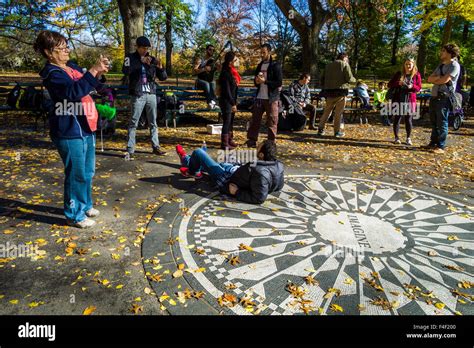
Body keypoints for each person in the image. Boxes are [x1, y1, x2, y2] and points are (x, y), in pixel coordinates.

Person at [35, 30, 109, 228]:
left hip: (86, 125)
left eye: (67, 46)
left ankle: (85, 206)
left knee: (87, 171)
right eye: (62, 48)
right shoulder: (53, 74)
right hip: (68, 130)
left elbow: (90, 86)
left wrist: (98, 74)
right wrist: (92, 72)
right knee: (76, 173)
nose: (67, 50)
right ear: (49, 52)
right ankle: (74, 214)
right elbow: (72, 93)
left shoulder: (71, 67)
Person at [175, 140, 284, 204]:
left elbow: (259, 198)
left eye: (258, 148)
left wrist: (237, 192)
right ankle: (193, 161)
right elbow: (278, 185)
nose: (255, 149)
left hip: (225, 179)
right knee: (228, 156)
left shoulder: (260, 173)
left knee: (198, 152)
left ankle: (191, 166)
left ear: (261, 155)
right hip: (235, 170)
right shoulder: (278, 165)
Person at [123, 36, 167, 161]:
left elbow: (163, 77)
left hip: (151, 93)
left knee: (153, 122)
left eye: (147, 48)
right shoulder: (129, 57)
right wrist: (140, 62)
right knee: (133, 122)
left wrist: (160, 67)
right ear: (137, 47)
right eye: (143, 48)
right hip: (138, 93)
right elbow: (125, 70)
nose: (145, 50)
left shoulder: (152, 59)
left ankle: (156, 146)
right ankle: (130, 149)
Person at [426, 43, 461, 154]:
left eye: (443, 51)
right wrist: (438, 78)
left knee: (442, 122)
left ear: (450, 53)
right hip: (434, 96)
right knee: (434, 121)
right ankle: (433, 143)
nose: (441, 53)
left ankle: (441, 146)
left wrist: (438, 79)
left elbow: (444, 80)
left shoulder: (454, 65)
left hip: (444, 98)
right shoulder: (441, 66)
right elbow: (429, 79)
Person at [246, 43, 283, 148]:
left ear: (269, 52)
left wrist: (265, 81)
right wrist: (257, 81)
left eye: (264, 52)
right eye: (260, 52)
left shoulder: (276, 65)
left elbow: (279, 83)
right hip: (259, 98)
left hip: (271, 98)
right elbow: (255, 81)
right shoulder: (259, 65)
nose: (262, 55)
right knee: (255, 120)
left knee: (272, 121)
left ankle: (271, 143)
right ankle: (252, 140)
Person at [318, 52, 356, 138]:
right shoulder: (345, 64)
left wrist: (326, 86)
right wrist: (355, 81)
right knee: (338, 113)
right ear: (344, 58)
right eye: (347, 58)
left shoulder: (328, 65)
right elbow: (349, 78)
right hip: (341, 92)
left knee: (327, 111)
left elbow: (322, 78)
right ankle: (337, 132)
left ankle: (320, 129)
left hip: (329, 92)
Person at [388, 58, 422, 145]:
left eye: (409, 64)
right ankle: (396, 137)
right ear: (404, 65)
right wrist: (398, 83)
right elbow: (389, 84)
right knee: (397, 118)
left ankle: (408, 138)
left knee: (408, 119)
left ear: (413, 65)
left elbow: (418, 88)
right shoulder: (399, 74)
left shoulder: (416, 75)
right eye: (406, 64)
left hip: (410, 99)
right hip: (398, 98)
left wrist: (412, 86)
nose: (408, 66)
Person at [218, 51, 240, 150]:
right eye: (235, 59)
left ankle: (230, 140)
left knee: (231, 121)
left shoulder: (232, 72)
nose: (237, 61)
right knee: (227, 121)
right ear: (230, 61)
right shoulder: (225, 73)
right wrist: (233, 103)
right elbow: (227, 91)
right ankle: (224, 143)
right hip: (226, 101)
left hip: (232, 100)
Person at [193, 44, 219, 109]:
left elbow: (220, 69)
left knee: (213, 83)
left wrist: (219, 64)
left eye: (213, 50)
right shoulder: (200, 59)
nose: (211, 51)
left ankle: (212, 103)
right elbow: (194, 71)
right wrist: (204, 69)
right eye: (210, 49)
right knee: (206, 83)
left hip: (210, 81)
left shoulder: (213, 61)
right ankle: (210, 102)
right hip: (200, 81)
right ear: (206, 50)